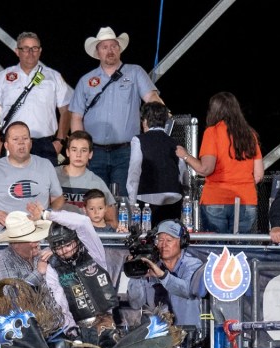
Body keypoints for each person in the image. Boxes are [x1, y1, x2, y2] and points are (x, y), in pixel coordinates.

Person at [5, 202, 127, 348]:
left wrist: (46, 214)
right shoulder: (53, 270)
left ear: (78, 242)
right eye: (58, 247)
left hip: (105, 327)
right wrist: (73, 331)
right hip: (76, 332)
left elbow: (82, 222)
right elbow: (61, 302)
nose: (64, 251)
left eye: (68, 244)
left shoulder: (94, 252)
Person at [69, 27, 162, 195]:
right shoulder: (85, 80)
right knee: (94, 199)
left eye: (113, 46)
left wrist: (158, 118)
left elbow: (153, 100)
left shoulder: (135, 72)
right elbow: (76, 117)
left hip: (126, 151)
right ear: (97, 52)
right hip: (94, 152)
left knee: (123, 200)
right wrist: (81, 148)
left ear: (120, 48)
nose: (109, 50)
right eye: (104, 47)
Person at [177, 92, 263, 234]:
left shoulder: (213, 132)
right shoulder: (250, 135)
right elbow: (259, 175)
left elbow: (205, 169)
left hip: (216, 200)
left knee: (217, 251)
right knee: (240, 253)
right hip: (246, 201)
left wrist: (185, 156)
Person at [0, 31, 71, 164]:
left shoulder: (53, 77)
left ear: (40, 51)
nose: (30, 52)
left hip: (45, 145)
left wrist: (59, 141)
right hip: (12, 144)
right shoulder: (3, 77)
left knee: (44, 184)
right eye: (25, 48)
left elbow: (66, 111)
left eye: (34, 48)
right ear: (17, 51)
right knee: (12, 184)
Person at [0, 121, 64, 229]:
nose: (21, 143)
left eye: (25, 138)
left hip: (39, 236)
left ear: (30, 143)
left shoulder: (46, 165)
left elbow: (58, 198)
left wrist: (47, 214)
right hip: (5, 236)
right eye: (15, 139)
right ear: (6, 145)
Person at [127, 220, 202, 329]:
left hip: (188, 331)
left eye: (169, 240)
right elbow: (136, 303)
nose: (164, 245)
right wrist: (136, 275)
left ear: (181, 242)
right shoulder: (149, 264)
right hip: (157, 336)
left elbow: (188, 290)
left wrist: (162, 276)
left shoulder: (193, 264)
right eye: (160, 240)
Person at [126, 102, 188, 224]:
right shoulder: (174, 142)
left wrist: (132, 203)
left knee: (146, 237)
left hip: (146, 199)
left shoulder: (138, 140)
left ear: (144, 121)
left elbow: (134, 170)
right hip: (173, 199)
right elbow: (183, 172)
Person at [0, 210, 53, 295]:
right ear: (15, 244)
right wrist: (38, 273)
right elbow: (9, 297)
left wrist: (59, 256)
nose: (37, 242)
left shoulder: (42, 254)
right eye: (31, 239)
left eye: (36, 236)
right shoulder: (3, 260)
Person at [56, 131, 116, 224]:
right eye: (74, 150)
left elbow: (111, 221)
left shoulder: (97, 183)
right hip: (54, 233)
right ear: (67, 152)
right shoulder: (52, 175)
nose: (78, 155)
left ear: (90, 154)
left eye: (83, 150)